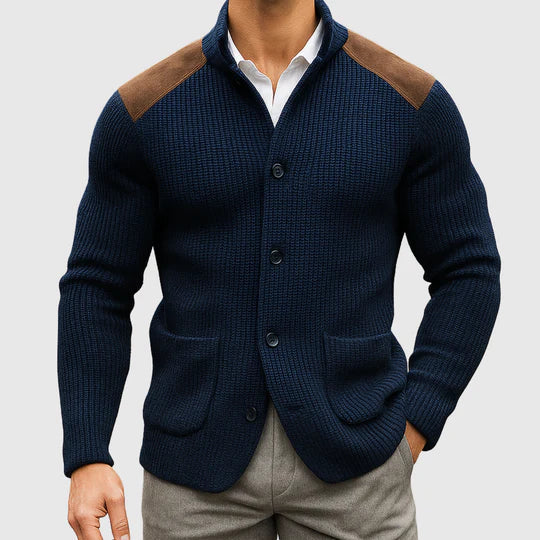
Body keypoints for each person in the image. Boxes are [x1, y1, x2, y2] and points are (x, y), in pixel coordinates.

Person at [57, 0, 501, 538]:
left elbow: (468, 267)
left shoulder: (408, 100)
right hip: (193, 474)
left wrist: (418, 419)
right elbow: (98, 286)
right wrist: (87, 452)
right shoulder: (143, 109)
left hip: (359, 468)